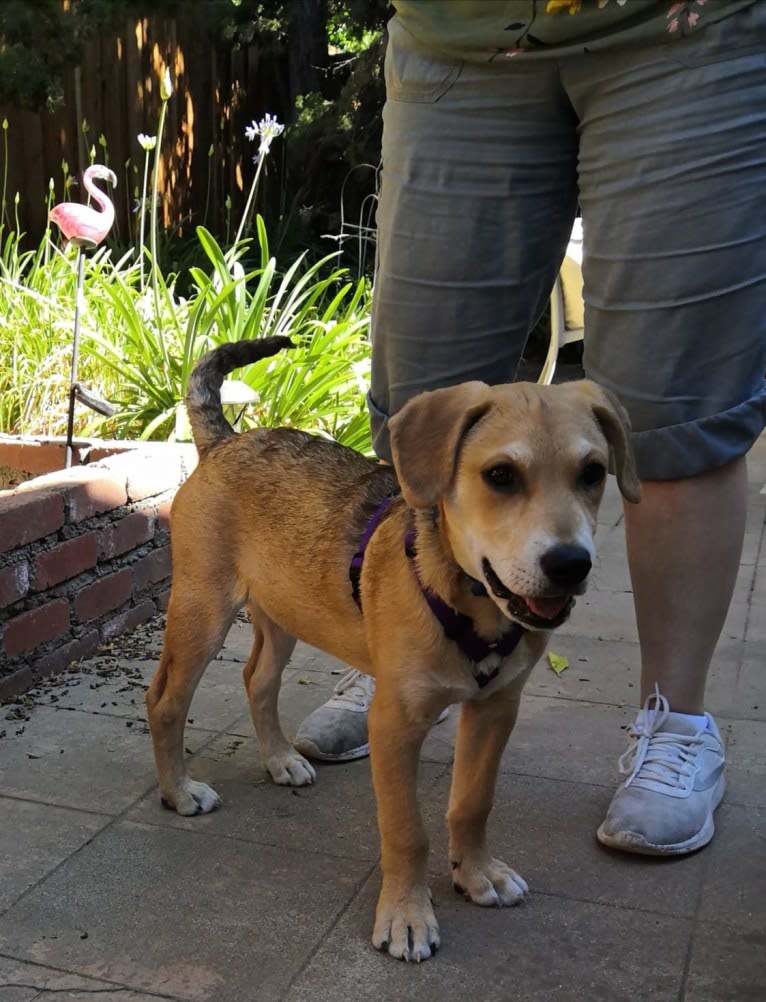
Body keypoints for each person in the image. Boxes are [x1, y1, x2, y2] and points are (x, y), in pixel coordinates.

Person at [295, 0, 766, 856]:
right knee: (423, 400)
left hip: (688, 26)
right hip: (460, 29)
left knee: (676, 404)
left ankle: (675, 723)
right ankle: (401, 647)